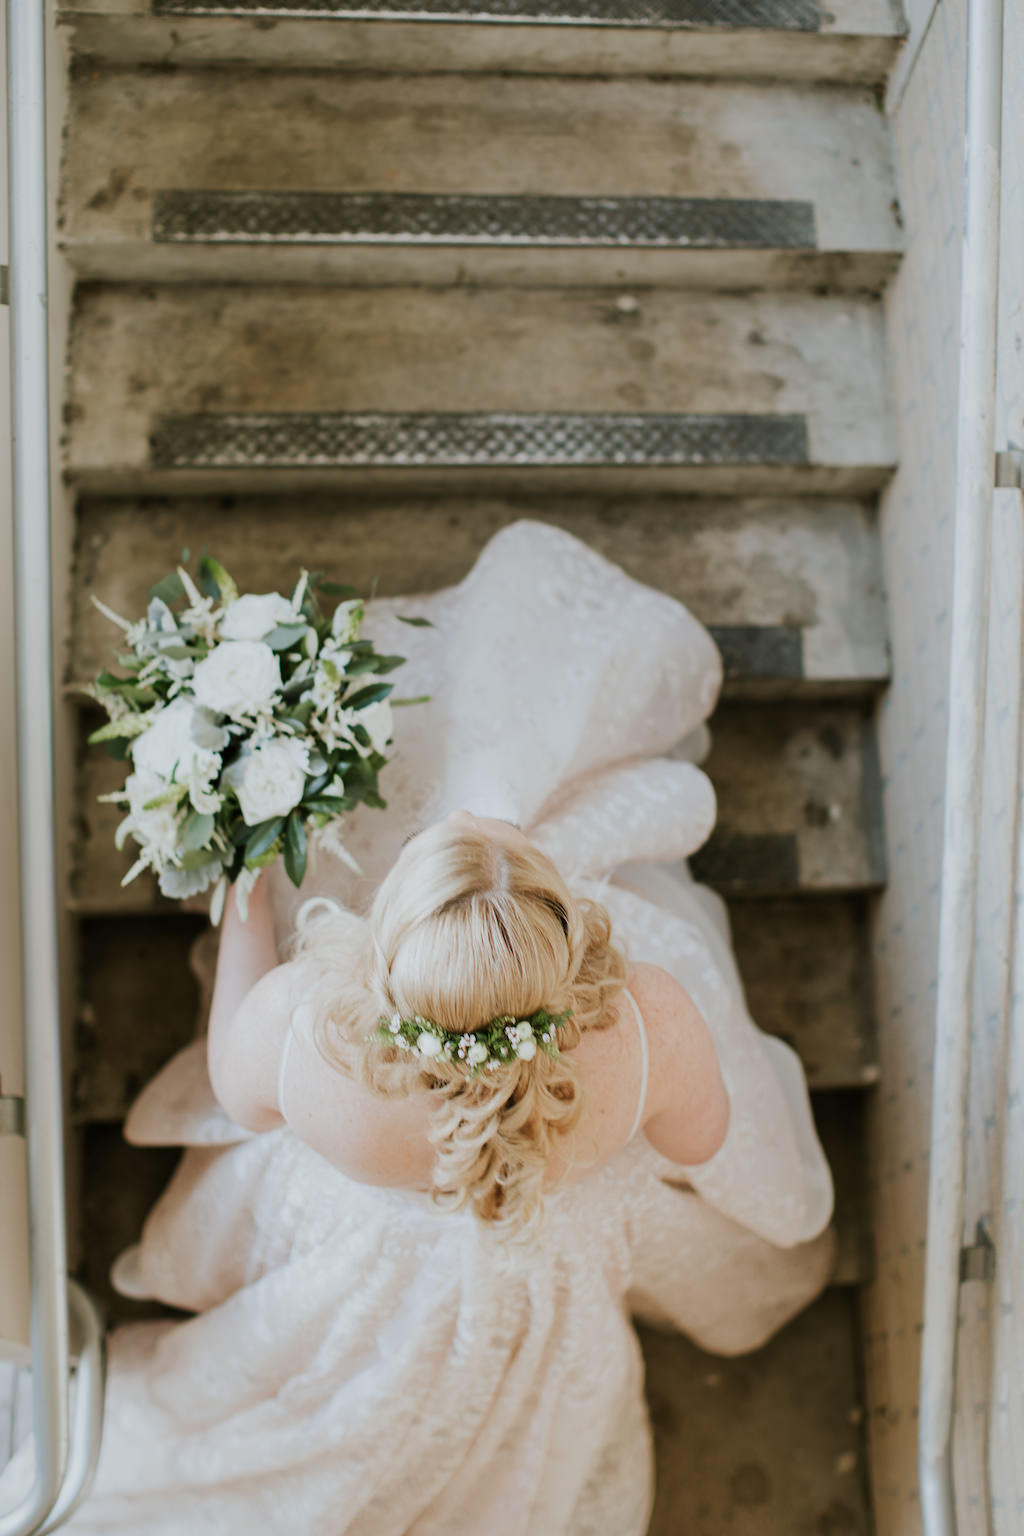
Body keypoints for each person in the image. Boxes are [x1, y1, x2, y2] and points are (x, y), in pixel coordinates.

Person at [0, 520, 836, 1534]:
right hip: (543, 1291)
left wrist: (248, 908)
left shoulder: (309, 1032)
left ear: (385, 953)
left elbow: (233, 1087)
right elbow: (700, 1143)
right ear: (572, 955)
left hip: (364, 1286)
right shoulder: (647, 1020)